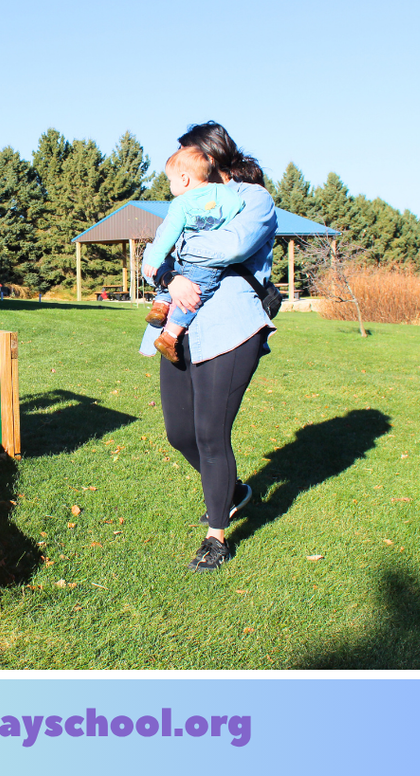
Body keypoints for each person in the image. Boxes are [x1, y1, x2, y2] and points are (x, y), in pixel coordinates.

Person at [145, 121, 277, 574]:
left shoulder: (252, 199)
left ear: (210, 156)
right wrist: (170, 276)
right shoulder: (184, 202)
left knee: (210, 433)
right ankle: (234, 491)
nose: (184, 164)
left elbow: (231, 246)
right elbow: (159, 256)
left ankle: (217, 535)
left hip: (230, 326)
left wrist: (178, 243)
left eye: (189, 153)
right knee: (179, 434)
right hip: (183, 326)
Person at [141, 146, 245, 364]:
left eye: (170, 181)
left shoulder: (182, 203)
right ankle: (169, 335)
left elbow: (169, 234)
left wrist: (154, 259)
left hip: (181, 258)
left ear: (185, 179)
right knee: (197, 294)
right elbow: (239, 205)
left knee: (182, 286)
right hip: (205, 264)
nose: (170, 186)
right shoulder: (223, 192)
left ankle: (162, 311)